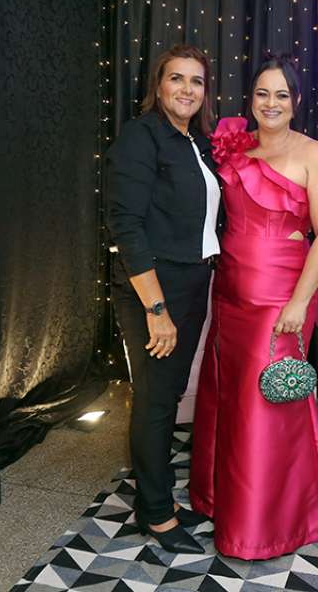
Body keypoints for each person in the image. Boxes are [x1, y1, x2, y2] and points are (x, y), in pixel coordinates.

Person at [189, 55, 318, 559]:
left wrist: (300, 302)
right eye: (262, 93)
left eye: (281, 95)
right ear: (251, 98)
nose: (270, 103)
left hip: (280, 297)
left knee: (268, 400)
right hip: (230, 291)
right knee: (228, 395)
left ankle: (265, 524)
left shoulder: (313, 154)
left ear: (296, 102)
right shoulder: (234, 143)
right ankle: (220, 500)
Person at [106, 44, 220, 555]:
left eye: (196, 81)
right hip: (154, 287)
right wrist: (156, 310)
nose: (187, 89)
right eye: (177, 78)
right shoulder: (141, 136)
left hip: (191, 280)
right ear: (159, 84)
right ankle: (155, 513)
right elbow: (126, 225)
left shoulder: (195, 142)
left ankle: (159, 497)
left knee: (168, 394)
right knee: (155, 399)